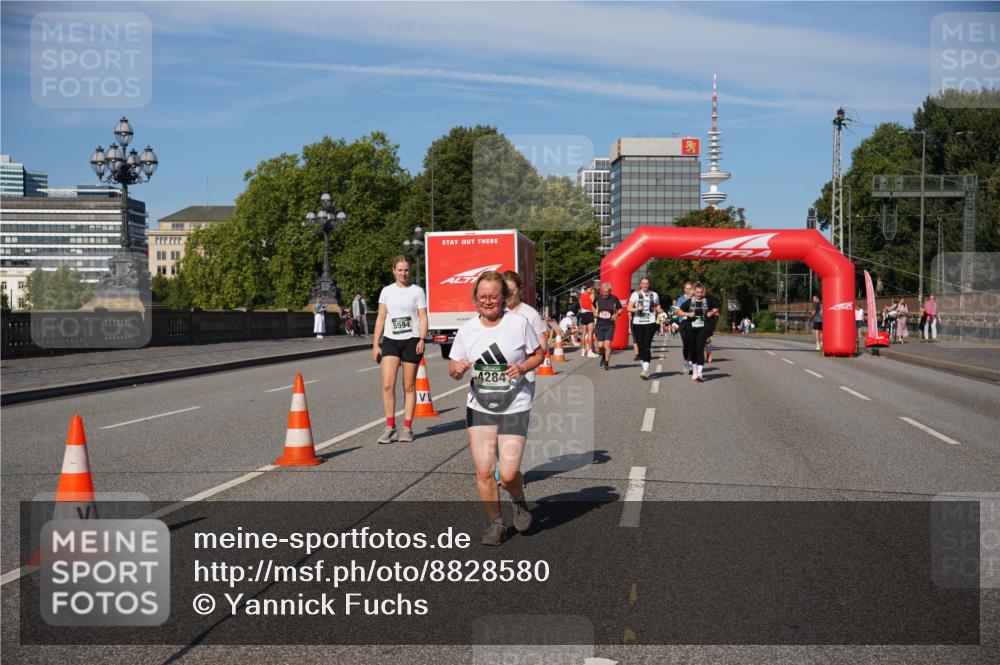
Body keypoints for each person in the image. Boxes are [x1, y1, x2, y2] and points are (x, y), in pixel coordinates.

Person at [449, 271, 545, 546]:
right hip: (479, 405)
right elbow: (453, 367)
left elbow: (539, 354)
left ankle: (518, 500)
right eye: (483, 296)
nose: (488, 301)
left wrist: (522, 367)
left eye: (493, 296)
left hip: (514, 405)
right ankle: (497, 524)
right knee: (484, 470)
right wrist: (457, 370)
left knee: (510, 473)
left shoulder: (518, 323)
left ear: (503, 297)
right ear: (475, 298)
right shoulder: (468, 329)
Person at [373, 256, 428, 444]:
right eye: (400, 270)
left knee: (409, 386)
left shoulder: (417, 291)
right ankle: (390, 427)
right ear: (393, 270)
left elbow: (423, 317)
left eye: (406, 270)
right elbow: (381, 318)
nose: (403, 273)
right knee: (388, 385)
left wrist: (422, 338)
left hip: (412, 340)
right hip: (391, 341)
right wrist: (375, 344)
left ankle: (407, 428)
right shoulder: (386, 291)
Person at [676, 282, 720, 382]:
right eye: (697, 292)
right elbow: (678, 312)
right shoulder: (689, 301)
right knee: (693, 350)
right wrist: (687, 314)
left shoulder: (708, 301)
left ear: (703, 292)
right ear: (694, 292)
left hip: (703, 328)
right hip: (690, 329)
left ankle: (700, 374)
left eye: (701, 292)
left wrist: (711, 312)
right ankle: (695, 371)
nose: (699, 294)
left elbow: (716, 309)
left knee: (700, 349)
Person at [627, 277, 660, 380]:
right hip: (638, 323)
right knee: (640, 347)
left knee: (647, 346)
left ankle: (645, 370)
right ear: (640, 284)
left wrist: (660, 311)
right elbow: (628, 308)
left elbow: (657, 305)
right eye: (643, 283)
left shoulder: (654, 295)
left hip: (650, 322)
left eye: (647, 283)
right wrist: (637, 308)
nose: (645, 285)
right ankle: (644, 368)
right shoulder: (635, 294)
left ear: (649, 284)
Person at [593, 282, 623, 370]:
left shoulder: (614, 298)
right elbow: (592, 306)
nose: (605, 294)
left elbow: (620, 309)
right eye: (604, 292)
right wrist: (594, 312)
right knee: (600, 346)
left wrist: (616, 314)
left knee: (607, 345)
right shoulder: (598, 298)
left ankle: (606, 362)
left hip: (609, 325)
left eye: (607, 292)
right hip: (599, 324)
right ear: (602, 291)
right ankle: (603, 356)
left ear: (610, 291)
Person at [676, 281, 695, 374]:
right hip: (683, 323)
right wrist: (687, 314)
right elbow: (677, 312)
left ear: (692, 289)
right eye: (686, 288)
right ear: (684, 289)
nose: (688, 290)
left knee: (692, 344)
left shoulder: (695, 298)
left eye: (690, 288)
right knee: (686, 344)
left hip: (693, 324)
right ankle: (686, 361)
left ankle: (690, 364)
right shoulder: (680, 299)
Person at [578, 284, 597, 358]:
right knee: (590, 333)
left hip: (583, 313)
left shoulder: (581, 295)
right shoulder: (591, 294)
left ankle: (583, 351)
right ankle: (589, 351)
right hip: (589, 313)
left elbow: (581, 305)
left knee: (583, 333)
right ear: (591, 287)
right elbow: (591, 304)